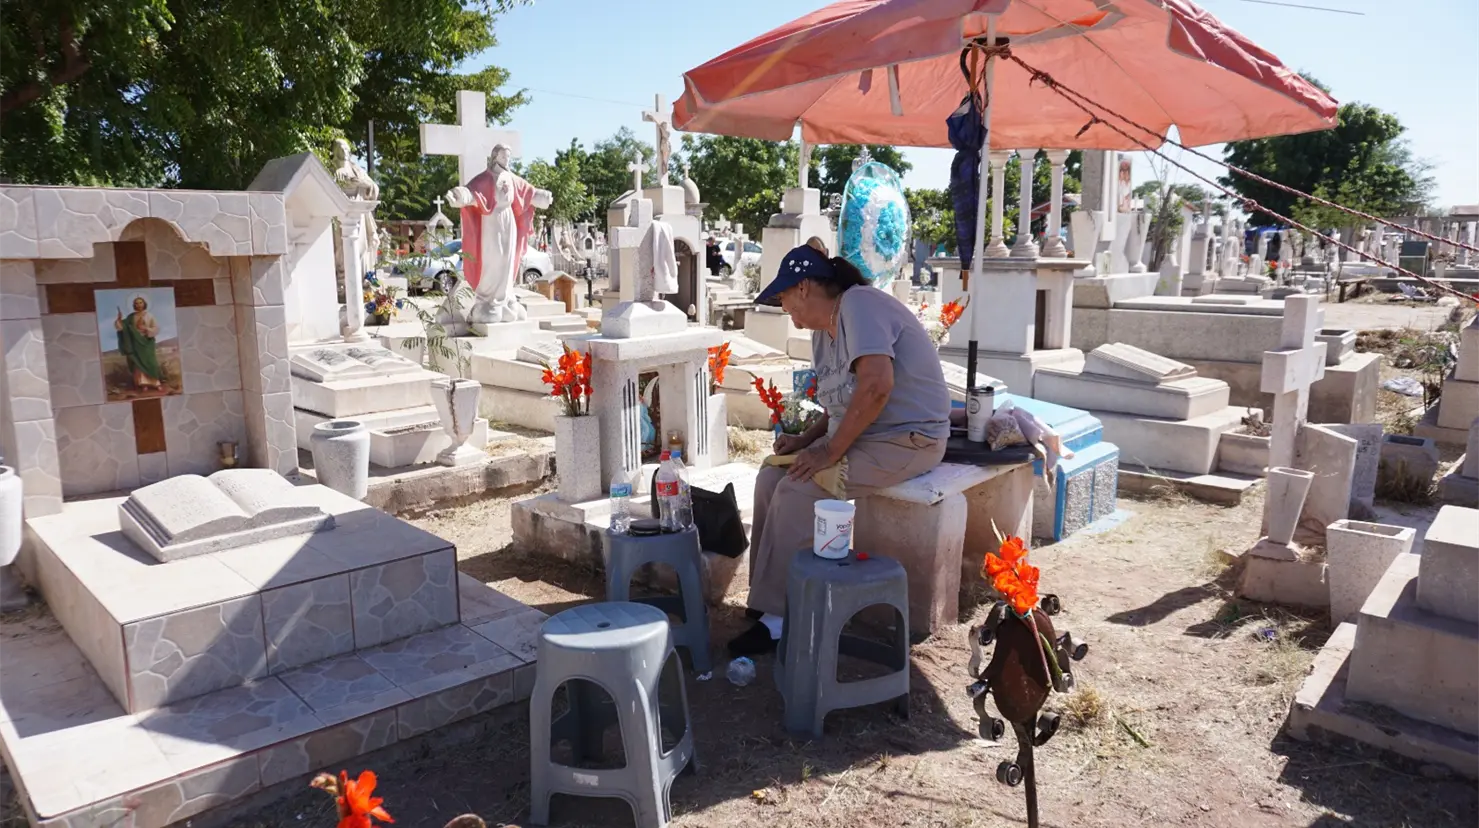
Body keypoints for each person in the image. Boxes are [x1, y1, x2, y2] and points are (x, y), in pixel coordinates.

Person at [729, 242, 951, 655]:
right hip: (868, 434)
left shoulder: (858, 304)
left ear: (807, 287)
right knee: (770, 476)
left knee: (799, 487)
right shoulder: (822, 334)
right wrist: (806, 441)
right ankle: (764, 602)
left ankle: (779, 620)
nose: (784, 309)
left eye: (785, 297)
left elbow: (876, 386)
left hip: (910, 439)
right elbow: (842, 408)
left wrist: (828, 453)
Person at [115, 295, 163, 391]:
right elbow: (122, 327)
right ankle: (143, 383)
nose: (139, 305)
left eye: (140, 302)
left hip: (147, 342)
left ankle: (155, 383)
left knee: (151, 363)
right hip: (135, 344)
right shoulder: (131, 317)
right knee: (138, 364)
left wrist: (146, 328)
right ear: (134, 305)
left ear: (144, 303)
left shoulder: (149, 316)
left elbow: (156, 329)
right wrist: (119, 320)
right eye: (136, 303)